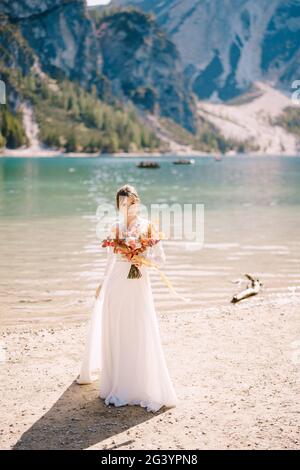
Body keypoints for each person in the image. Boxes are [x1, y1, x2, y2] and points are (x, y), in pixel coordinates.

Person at [76, 184, 179, 413]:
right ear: (118, 205)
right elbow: (109, 261)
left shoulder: (149, 227)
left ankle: (139, 385)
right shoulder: (115, 227)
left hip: (138, 282)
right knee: (117, 330)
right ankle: (118, 384)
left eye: (131, 203)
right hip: (116, 283)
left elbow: (161, 260)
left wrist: (141, 258)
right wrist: (102, 284)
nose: (127, 207)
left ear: (137, 202)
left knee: (139, 329)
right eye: (123, 204)